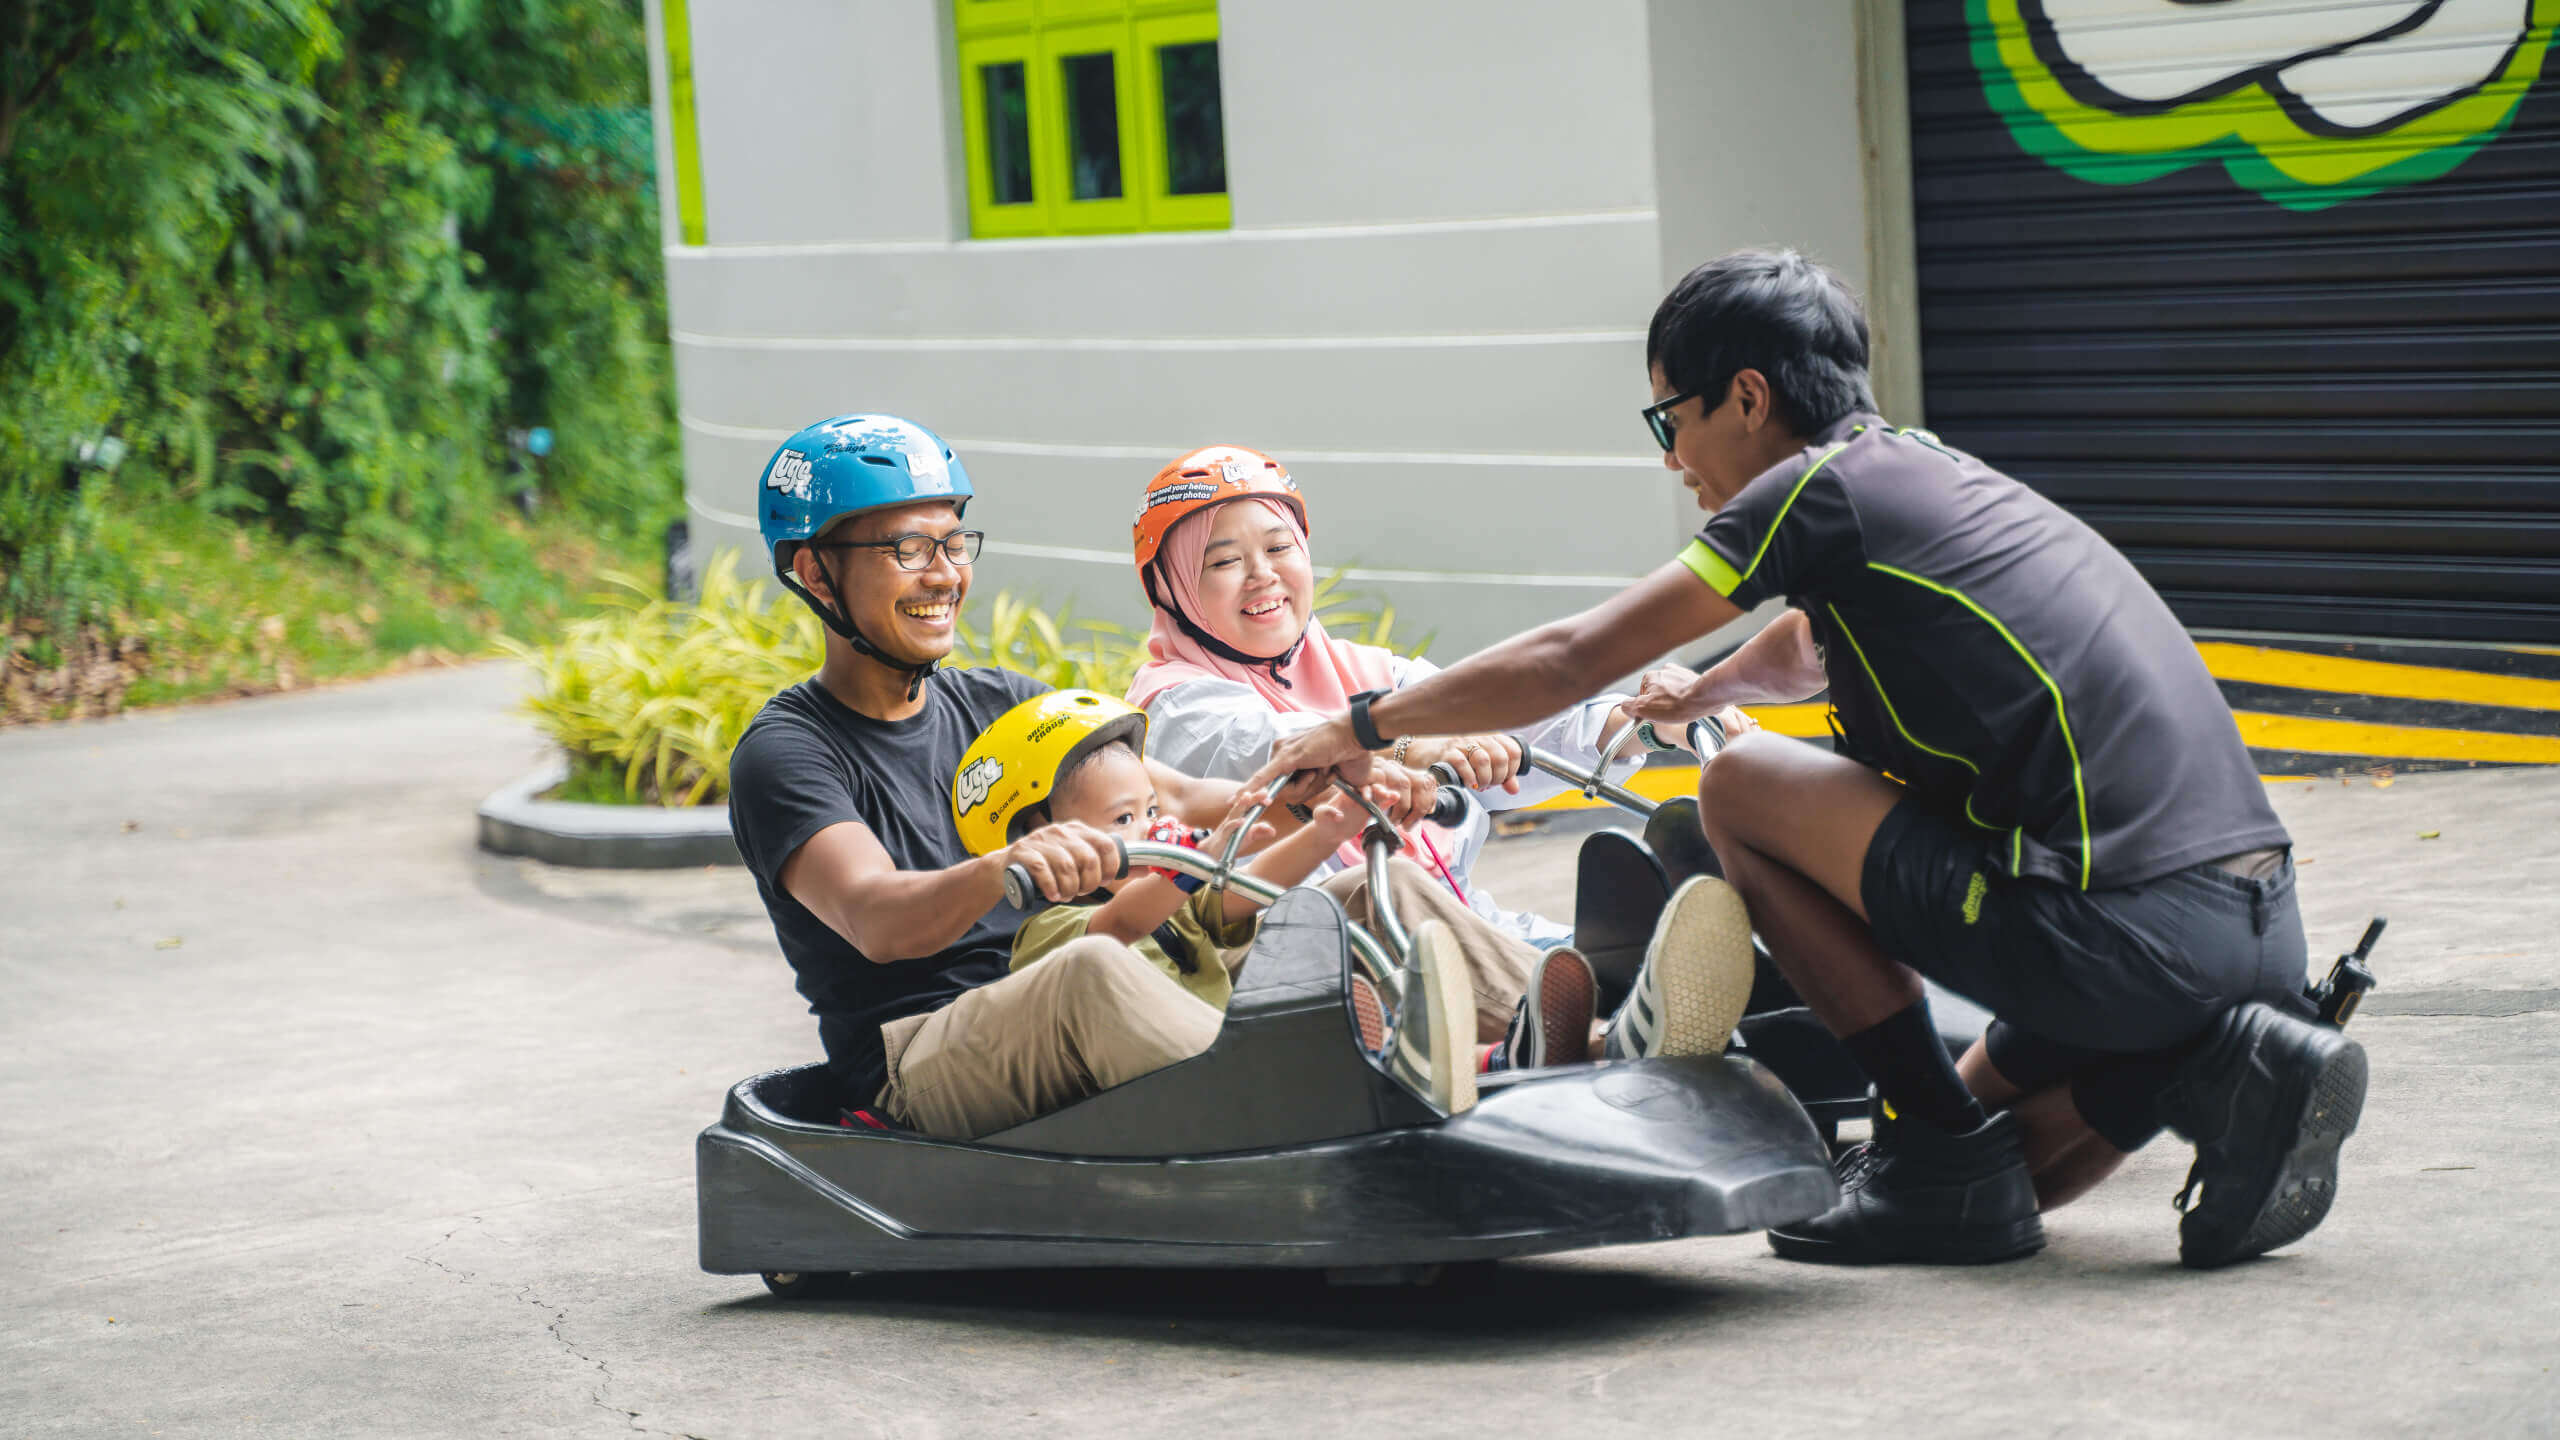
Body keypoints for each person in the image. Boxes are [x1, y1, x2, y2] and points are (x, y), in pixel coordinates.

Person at [1250, 249, 2367, 1271]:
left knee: (1735, 789)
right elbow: (1817, 643)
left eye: (1668, 419)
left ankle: (1988, 1126)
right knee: (1999, 1176)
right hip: (2245, 931)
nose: (1675, 457)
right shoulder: (1915, 475)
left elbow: (1570, 657)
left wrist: (1359, 725)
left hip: (2120, 934)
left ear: (1747, 397)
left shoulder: (1813, 490)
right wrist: (1711, 686)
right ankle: (2212, 1065)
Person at [727, 413, 1281, 1140]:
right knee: (1090, 971)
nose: (945, 574)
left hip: (1071, 979)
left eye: (955, 545)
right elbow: (874, 915)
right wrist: (1001, 867)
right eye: (909, 549)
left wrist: (1322, 776)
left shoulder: (1002, 702)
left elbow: (1175, 795)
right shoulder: (789, 753)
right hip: (923, 1054)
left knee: (1340, 900)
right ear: (816, 575)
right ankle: (1293, 1126)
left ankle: (1452, 1067)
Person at [953, 690, 1704, 1089]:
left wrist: (1332, 816)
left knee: (1375, 877)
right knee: (1315, 976)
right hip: (1218, 1076)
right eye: (1126, 820)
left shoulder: (1179, 898)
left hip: (1262, 1036)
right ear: (1035, 843)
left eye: (1153, 812)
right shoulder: (1050, 939)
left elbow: (1241, 891)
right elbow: (1116, 931)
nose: (1151, 828)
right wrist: (1189, 856)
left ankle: (1598, 1038)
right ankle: (1431, 1061)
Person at [1127, 444, 1681, 951]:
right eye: (1224, 562)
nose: (1263, 575)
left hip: (1460, 927)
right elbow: (1274, 747)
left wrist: (1643, 721)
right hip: (1324, 966)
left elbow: (1501, 718)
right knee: (1594, 987)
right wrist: (1407, 749)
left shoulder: (1371, 673)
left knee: (1648, 956)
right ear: (1168, 587)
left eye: (1279, 547)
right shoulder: (1175, 705)